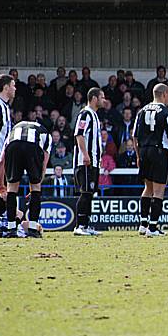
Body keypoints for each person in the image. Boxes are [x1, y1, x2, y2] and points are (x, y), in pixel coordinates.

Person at [133, 83, 168, 237]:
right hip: (160, 152)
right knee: (159, 191)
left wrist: (138, 155)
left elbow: (134, 136)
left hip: (144, 151)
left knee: (148, 188)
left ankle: (143, 224)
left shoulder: (142, 111)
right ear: (164, 94)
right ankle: (153, 228)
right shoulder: (167, 113)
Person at [0, 121, 51, 237]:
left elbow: (1, 160)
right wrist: (36, 183)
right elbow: (44, 163)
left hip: (14, 145)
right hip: (32, 146)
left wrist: (0, 183)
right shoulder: (45, 133)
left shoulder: (13, 130)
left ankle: (11, 228)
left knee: (12, 189)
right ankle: (33, 228)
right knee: (36, 187)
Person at [73, 87, 104, 236]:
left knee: (90, 193)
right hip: (85, 161)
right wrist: (85, 155)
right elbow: (79, 135)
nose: (104, 100)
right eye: (102, 97)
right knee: (85, 192)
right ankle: (79, 226)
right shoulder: (85, 114)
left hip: (94, 161)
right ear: (94, 98)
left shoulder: (95, 115)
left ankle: (86, 225)